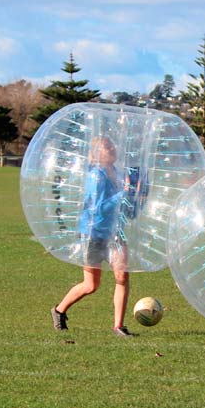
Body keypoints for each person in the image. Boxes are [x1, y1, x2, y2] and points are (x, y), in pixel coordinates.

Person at [51, 136, 136, 336]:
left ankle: (118, 326)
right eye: (107, 147)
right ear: (97, 153)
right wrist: (123, 194)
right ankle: (59, 310)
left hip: (115, 233)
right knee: (91, 285)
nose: (112, 149)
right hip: (93, 234)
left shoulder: (117, 173)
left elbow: (123, 206)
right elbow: (98, 210)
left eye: (112, 145)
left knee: (122, 276)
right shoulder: (96, 176)